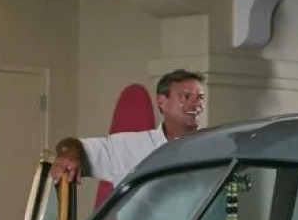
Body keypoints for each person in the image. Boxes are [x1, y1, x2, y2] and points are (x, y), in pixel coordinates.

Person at [52, 69, 205, 189]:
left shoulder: (214, 146)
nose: (195, 104)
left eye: (199, 98)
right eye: (185, 97)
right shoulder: (126, 147)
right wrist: (69, 153)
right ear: (162, 102)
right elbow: (73, 145)